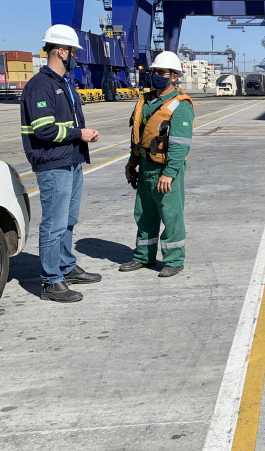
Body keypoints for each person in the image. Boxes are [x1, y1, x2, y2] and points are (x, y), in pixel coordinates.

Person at [20, 24, 102, 303]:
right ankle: (51, 281)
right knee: (54, 224)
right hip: (53, 163)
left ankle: (66, 267)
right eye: (74, 51)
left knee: (67, 220)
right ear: (61, 51)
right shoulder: (41, 85)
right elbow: (43, 130)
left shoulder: (64, 82)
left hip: (72, 160)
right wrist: (80, 133)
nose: (76, 57)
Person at [120, 51, 194, 278]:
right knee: (144, 214)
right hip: (145, 167)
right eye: (154, 72)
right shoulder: (145, 101)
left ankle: (174, 260)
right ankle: (144, 256)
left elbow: (180, 144)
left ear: (174, 76)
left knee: (171, 215)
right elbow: (139, 134)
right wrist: (132, 161)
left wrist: (169, 173)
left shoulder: (180, 106)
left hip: (165, 170)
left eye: (162, 72)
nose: (156, 75)